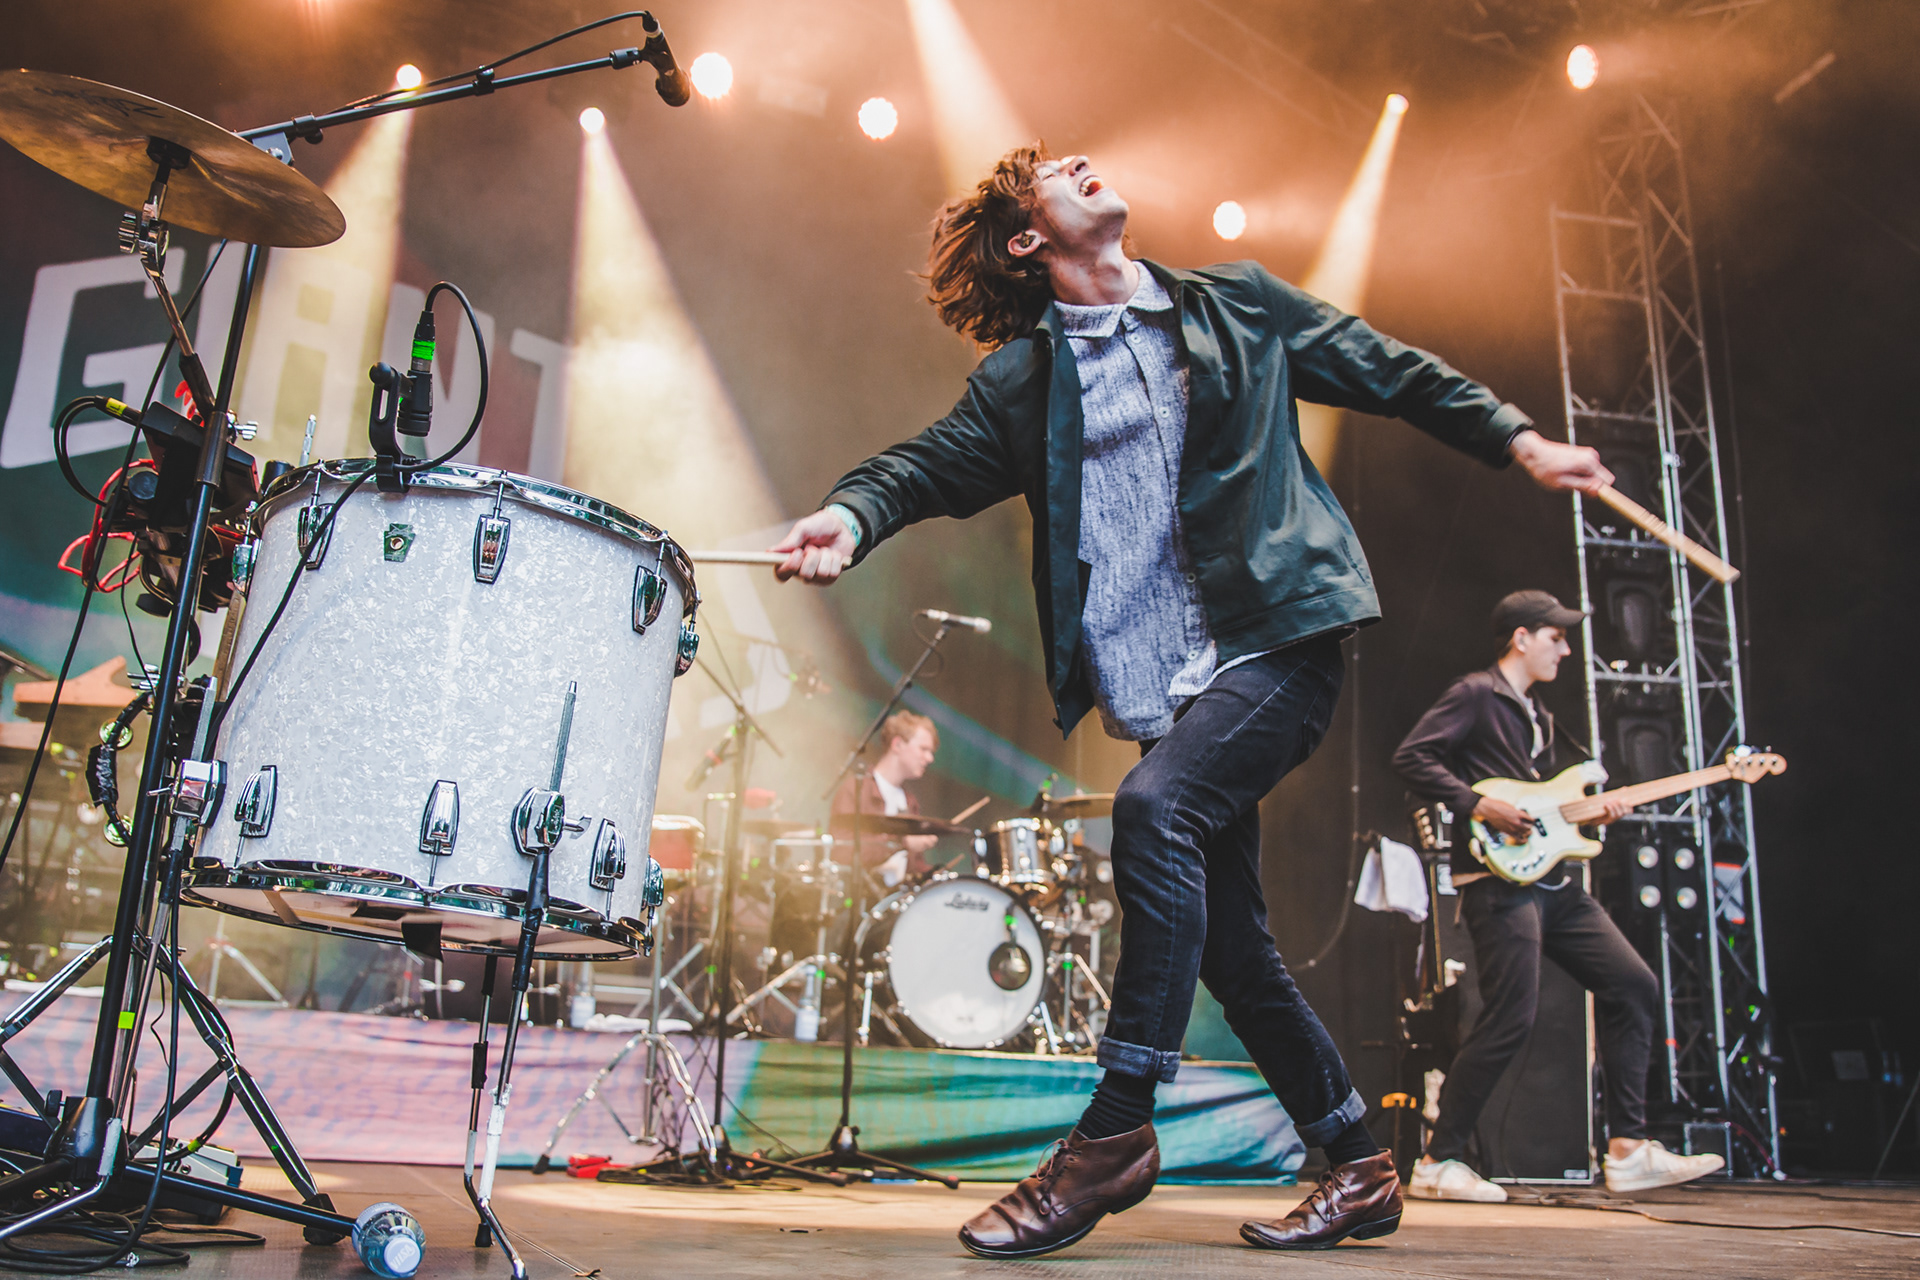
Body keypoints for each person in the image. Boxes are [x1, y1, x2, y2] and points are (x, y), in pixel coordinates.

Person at [770, 144, 1614, 1257]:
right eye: (1054, 173)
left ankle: (1115, 1130)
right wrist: (850, 516)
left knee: (1153, 809)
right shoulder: (1023, 383)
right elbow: (925, 466)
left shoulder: (1237, 305)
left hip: (1278, 636)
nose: (1083, 160)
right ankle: (1360, 1161)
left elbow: (1387, 368)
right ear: (1028, 239)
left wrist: (1517, 438)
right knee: (1232, 947)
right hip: (1162, 688)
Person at [1392, 589, 1725, 1200]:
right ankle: (1438, 1162)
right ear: (1521, 637)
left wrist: (1595, 813)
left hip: (1550, 880)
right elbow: (1411, 757)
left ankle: (1627, 1149)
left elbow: (1548, 807)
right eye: (1556, 637)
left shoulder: (1541, 717)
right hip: (1497, 882)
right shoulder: (1475, 693)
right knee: (1511, 1017)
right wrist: (1478, 803)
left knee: (1633, 985)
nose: (1566, 650)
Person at [831, 710, 940, 887]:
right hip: (862, 896)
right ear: (897, 744)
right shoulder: (856, 789)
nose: (930, 758)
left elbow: (914, 866)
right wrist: (902, 842)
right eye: (923, 749)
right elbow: (841, 850)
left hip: (898, 897)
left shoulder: (909, 801)